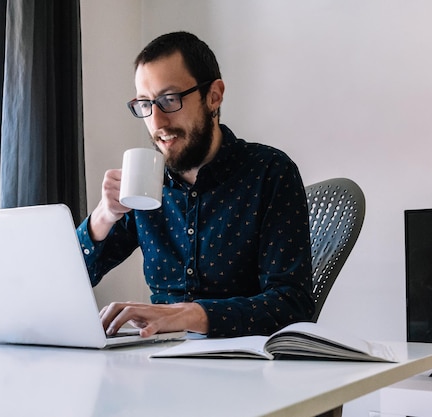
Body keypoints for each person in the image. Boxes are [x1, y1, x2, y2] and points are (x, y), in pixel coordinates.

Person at [76, 31, 314, 339]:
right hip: (159, 359)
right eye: (146, 104)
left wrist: (189, 314)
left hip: (247, 366)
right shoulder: (146, 182)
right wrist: (103, 217)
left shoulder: (269, 172)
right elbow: (69, 281)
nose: (157, 122)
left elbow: (292, 305)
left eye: (169, 100)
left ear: (214, 96)